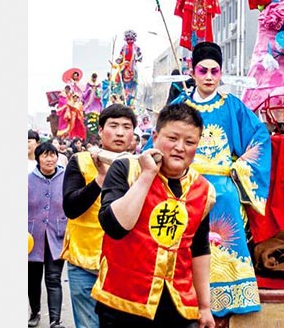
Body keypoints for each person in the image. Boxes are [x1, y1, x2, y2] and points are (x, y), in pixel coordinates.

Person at [159, 41, 271, 320]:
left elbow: (260, 137)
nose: (209, 76)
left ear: (221, 73)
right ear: (192, 72)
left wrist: (240, 167)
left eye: (214, 71)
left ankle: (230, 294)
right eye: (203, 70)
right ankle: (180, 293)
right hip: (185, 186)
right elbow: (158, 139)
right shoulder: (179, 106)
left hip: (222, 187)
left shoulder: (232, 106)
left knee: (228, 221)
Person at [92, 103, 217, 328]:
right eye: (173, 138)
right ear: (155, 136)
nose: (180, 147)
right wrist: (148, 174)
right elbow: (116, 227)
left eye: (189, 142)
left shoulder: (203, 190)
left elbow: (199, 249)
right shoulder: (127, 169)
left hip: (179, 306)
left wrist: (204, 306)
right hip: (122, 304)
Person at [61, 104, 138, 328]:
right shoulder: (81, 161)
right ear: (101, 130)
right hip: (84, 263)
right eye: (113, 126)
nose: (120, 132)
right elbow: (71, 208)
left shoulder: (143, 166)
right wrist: (100, 181)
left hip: (124, 265)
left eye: (127, 126)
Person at [28, 141, 69, 328]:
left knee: (53, 278)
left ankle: (55, 320)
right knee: (33, 279)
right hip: (32, 238)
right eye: (45, 155)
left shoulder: (65, 178)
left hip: (57, 236)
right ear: (38, 158)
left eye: (52, 155)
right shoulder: (28, 180)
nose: (50, 159)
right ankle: (35, 312)